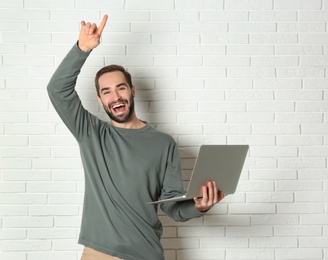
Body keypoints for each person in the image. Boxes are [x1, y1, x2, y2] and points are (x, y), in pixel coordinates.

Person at [47, 15, 224, 260]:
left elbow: (172, 206)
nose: (115, 96)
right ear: (100, 100)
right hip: (99, 253)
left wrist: (199, 206)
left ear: (132, 91)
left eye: (120, 88)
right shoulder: (91, 133)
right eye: (106, 92)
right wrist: (82, 49)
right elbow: (57, 89)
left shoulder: (165, 144)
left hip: (146, 254)